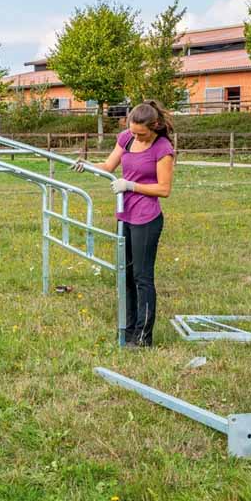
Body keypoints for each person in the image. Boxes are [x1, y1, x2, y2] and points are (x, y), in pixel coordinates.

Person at [75, 101, 175, 347]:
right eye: (133, 132)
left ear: (155, 126)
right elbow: (108, 166)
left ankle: (143, 337)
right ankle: (128, 330)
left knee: (142, 277)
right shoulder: (126, 138)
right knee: (126, 275)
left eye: (141, 134)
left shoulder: (163, 148)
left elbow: (164, 189)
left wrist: (130, 185)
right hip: (125, 214)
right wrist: (87, 165)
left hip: (146, 218)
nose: (136, 137)